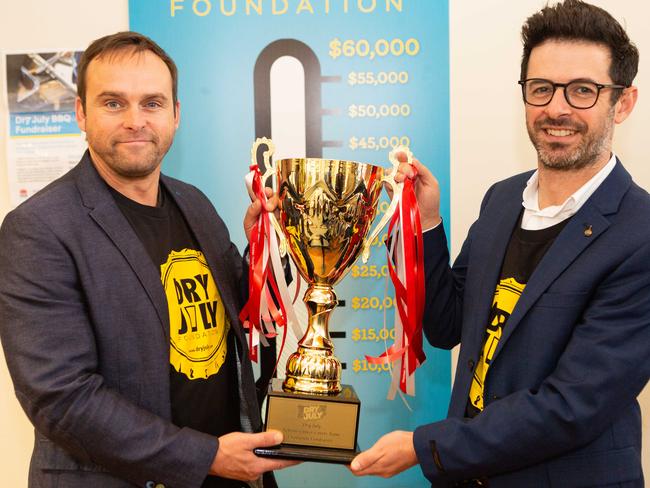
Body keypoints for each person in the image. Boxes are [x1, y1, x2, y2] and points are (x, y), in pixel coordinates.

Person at [350, 0, 649, 486]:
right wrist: (423, 223)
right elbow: (447, 325)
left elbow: (571, 407)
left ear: (623, 102)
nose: (557, 108)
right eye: (541, 88)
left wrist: (424, 446)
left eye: (582, 91)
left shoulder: (641, 234)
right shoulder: (504, 198)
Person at [0, 32, 296, 488]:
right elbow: (62, 397)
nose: (135, 120)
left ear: (176, 115)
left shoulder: (193, 202)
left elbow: (241, 308)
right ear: (81, 112)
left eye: (152, 103)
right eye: (114, 103)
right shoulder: (38, 229)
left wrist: (266, 248)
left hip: (229, 474)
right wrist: (207, 456)